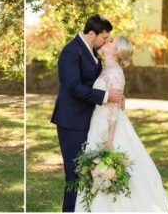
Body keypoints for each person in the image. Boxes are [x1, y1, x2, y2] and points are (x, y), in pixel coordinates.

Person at [75, 36, 168, 212]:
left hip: (108, 128)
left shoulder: (115, 73)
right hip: (97, 123)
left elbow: (112, 111)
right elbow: (111, 96)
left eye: (111, 41)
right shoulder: (105, 69)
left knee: (110, 166)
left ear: (117, 51)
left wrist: (109, 140)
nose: (107, 41)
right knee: (96, 169)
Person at [51, 14, 124, 212]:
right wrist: (107, 96)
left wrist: (115, 97)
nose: (106, 41)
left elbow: (95, 81)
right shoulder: (70, 52)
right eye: (104, 38)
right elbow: (74, 86)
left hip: (88, 120)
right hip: (71, 121)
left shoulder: (91, 50)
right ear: (92, 33)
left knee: (85, 172)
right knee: (73, 174)